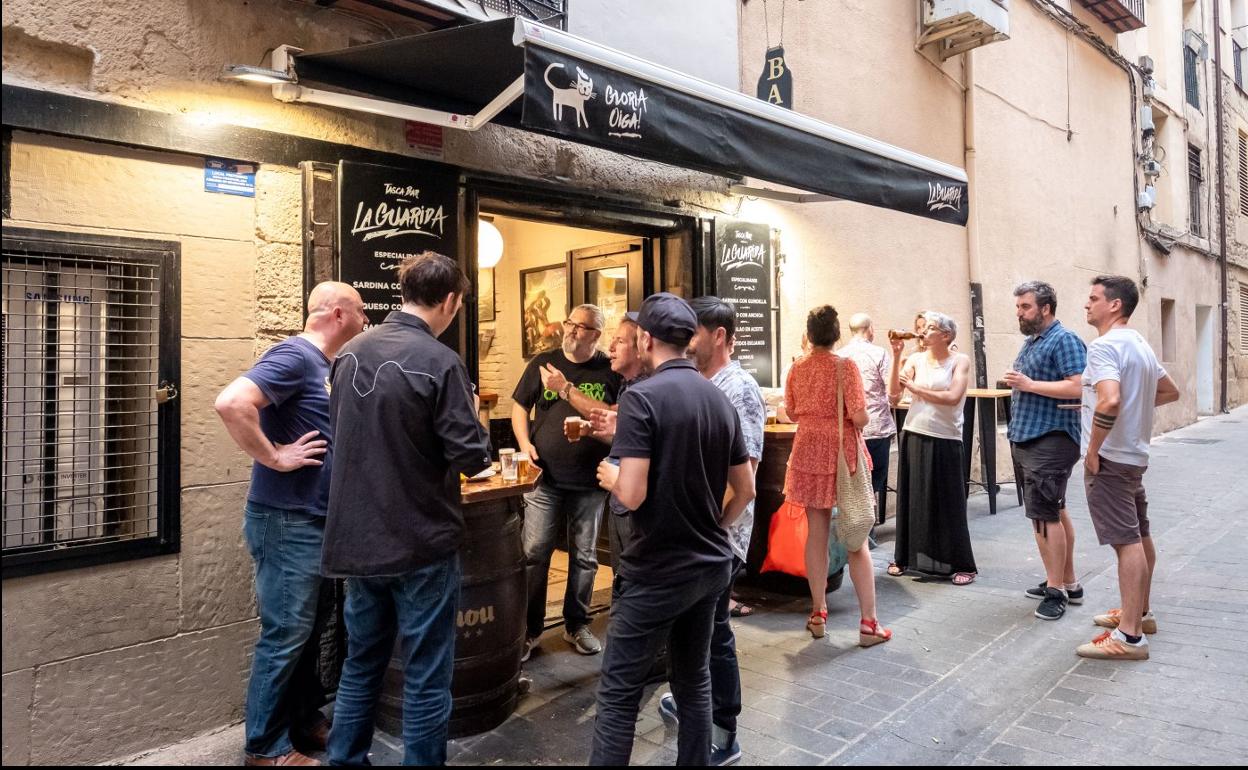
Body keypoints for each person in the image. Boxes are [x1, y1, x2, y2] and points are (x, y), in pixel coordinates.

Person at [320, 252, 491, 765]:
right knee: (425, 675)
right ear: (451, 300)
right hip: (420, 542)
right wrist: (476, 414)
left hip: (357, 540)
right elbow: (472, 456)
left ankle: (345, 759)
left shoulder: (350, 353)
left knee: (361, 664)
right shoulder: (441, 361)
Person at [591, 292, 756, 766]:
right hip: (708, 568)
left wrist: (610, 476)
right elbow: (743, 490)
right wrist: (713, 527)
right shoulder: (718, 397)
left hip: (656, 570)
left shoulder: (642, 398)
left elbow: (633, 494)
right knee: (694, 682)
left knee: (619, 695)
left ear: (646, 338)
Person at [215, 281, 366, 767]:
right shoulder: (296, 356)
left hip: (313, 522)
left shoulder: (324, 365)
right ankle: (265, 748)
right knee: (285, 634)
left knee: (306, 632)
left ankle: (303, 721)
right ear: (340, 314)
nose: (367, 320)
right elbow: (231, 402)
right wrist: (276, 457)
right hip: (287, 522)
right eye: (361, 312)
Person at [652, 296, 766, 766]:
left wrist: (714, 528)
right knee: (692, 627)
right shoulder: (699, 382)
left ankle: (724, 731)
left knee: (716, 631)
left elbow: (746, 477)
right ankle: (691, 699)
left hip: (721, 536)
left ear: (717, 336)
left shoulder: (737, 388)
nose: (684, 340)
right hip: (699, 535)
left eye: (692, 331)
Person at [1076, 275, 1179, 661]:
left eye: (1093, 298)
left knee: (1126, 542)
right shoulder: (1140, 344)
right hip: (1133, 457)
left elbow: (1110, 401)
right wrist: (1126, 409)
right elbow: (1169, 391)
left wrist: (1093, 447)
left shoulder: (1102, 346)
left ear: (1114, 305)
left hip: (1111, 459)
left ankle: (1130, 637)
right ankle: (1141, 613)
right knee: (1139, 534)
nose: (1087, 305)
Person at [512, 304, 622, 657]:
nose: (572, 331)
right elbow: (519, 406)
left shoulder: (609, 369)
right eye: (570, 323)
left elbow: (615, 418)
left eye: (582, 326)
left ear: (597, 334)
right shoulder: (543, 362)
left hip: (590, 480)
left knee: (585, 557)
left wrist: (567, 390)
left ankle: (577, 625)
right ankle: (528, 631)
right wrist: (525, 443)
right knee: (534, 553)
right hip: (544, 478)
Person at [784, 305, 892, 645]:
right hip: (841, 452)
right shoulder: (846, 367)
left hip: (807, 450)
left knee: (816, 533)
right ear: (836, 335)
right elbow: (860, 417)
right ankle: (868, 624)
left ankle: (817, 612)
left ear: (809, 335)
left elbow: (790, 411)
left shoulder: (796, 368)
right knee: (856, 534)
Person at [1002, 281, 1088, 621]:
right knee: (1054, 509)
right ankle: (1069, 582)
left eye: (1025, 306)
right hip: (1028, 436)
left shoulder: (1064, 339)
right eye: (1019, 307)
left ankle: (1056, 592)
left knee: (1043, 516)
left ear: (1046, 308)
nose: (1019, 313)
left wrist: (1028, 384)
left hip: (1051, 438)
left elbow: (1079, 384)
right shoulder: (1032, 342)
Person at [887, 311, 978, 585]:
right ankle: (904, 558)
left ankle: (963, 564)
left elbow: (952, 397)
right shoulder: (914, 359)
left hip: (946, 436)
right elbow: (894, 396)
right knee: (912, 497)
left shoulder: (959, 360)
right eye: (924, 328)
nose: (924, 332)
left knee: (948, 502)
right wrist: (895, 357)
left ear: (947, 335)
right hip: (914, 431)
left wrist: (915, 388)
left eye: (931, 328)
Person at [839, 313, 898, 542]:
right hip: (876, 426)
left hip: (848, 429)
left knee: (851, 481)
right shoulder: (879, 353)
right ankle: (867, 529)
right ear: (870, 329)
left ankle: (852, 529)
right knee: (874, 479)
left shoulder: (840, 356)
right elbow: (892, 391)